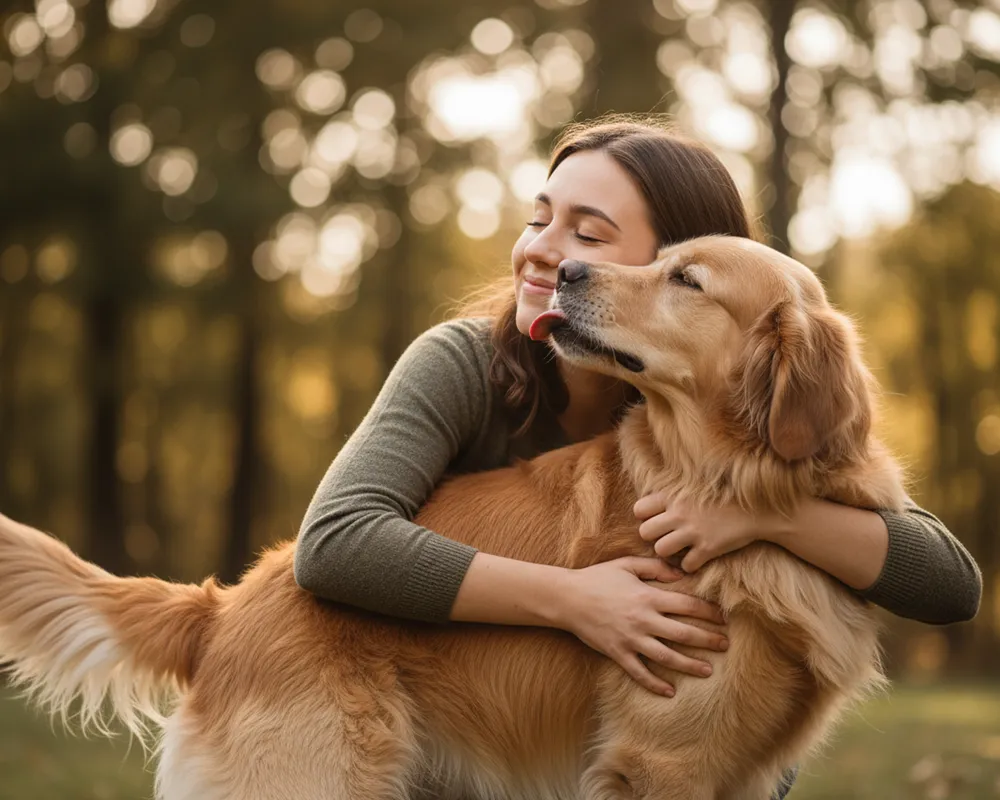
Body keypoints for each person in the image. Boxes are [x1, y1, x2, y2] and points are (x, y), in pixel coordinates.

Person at [294, 118, 982, 798]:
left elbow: (947, 582)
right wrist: (575, 600)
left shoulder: (701, 415)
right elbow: (334, 541)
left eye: (590, 235)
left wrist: (763, 520)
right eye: (539, 219)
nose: (554, 255)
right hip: (372, 696)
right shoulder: (465, 364)